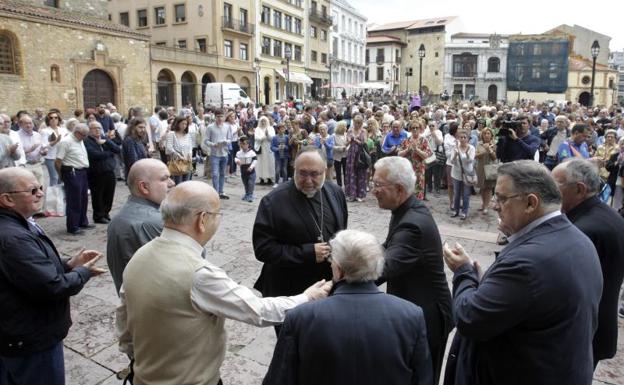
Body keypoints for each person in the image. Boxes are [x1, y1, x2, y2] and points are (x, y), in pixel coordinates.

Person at [117, 181, 332, 384]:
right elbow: (258, 311)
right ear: (202, 220)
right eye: (217, 214)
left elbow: (125, 322)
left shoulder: (140, 255)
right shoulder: (199, 274)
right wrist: (307, 297)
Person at [442, 160, 602, 385]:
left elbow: (470, 317)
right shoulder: (577, 239)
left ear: (530, 203)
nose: (496, 206)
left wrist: (464, 273)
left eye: (502, 198)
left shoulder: (527, 263)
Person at [263, 229, 433, 385]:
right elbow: (422, 380)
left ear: (338, 269)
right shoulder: (411, 315)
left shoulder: (301, 317)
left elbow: (279, 379)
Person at [0, 167, 105, 385]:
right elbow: (52, 287)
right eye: (32, 191)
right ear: (8, 199)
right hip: (30, 338)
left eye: (40, 187)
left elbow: (30, 271)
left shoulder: (17, 225)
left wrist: (68, 264)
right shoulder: (13, 237)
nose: (40, 193)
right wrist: (83, 272)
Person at [372, 156, 452, 384]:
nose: (373, 191)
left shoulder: (412, 224)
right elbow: (387, 248)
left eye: (378, 185)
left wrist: (345, 271)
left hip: (428, 318)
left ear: (399, 189)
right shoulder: (404, 209)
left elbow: (383, 268)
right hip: (414, 309)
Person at [252, 149, 348, 334]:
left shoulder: (334, 192)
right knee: (292, 347)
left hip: (328, 288)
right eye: (302, 173)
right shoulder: (273, 201)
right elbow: (263, 249)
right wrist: (307, 253)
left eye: (315, 174)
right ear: (293, 169)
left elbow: (342, 232)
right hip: (290, 290)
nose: (308, 180)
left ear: (325, 171)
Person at [552, 159, 624, 369]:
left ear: (579, 189)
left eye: (555, 185)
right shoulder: (607, 216)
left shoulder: (583, 230)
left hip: (579, 332)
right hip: (597, 325)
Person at [106, 158, 174, 295]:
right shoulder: (155, 222)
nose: (172, 183)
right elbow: (189, 266)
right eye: (164, 179)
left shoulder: (121, 216)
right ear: (144, 187)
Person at [55, 123, 93, 235]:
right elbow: (57, 161)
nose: (85, 137)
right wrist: (61, 175)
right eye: (83, 135)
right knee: (74, 200)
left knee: (83, 198)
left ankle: (82, 221)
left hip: (82, 171)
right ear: (77, 133)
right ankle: (73, 225)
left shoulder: (79, 140)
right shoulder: (66, 142)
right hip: (72, 172)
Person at [84, 121, 120, 224]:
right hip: (96, 172)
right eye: (94, 128)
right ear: (89, 130)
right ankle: (98, 216)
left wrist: (106, 142)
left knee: (109, 194)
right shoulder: (87, 141)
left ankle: (106, 213)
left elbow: (117, 149)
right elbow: (94, 155)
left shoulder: (105, 139)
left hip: (109, 170)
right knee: (98, 195)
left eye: (99, 128)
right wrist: (109, 153)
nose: (97, 130)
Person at [398, 120, 432, 200]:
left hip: (419, 170)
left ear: (420, 129)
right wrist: (407, 150)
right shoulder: (406, 140)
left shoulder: (424, 140)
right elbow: (399, 154)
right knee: (408, 190)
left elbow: (426, 155)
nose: (415, 129)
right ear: (410, 129)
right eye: (413, 128)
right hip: (408, 170)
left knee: (419, 191)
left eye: (417, 128)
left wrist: (417, 150)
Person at [204, 109, 232, 199]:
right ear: (215, 117)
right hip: (214, 154)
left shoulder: (227, 127)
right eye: (218, 116)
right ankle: (215, 192)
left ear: (224, 117)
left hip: (224, 153)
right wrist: (213, 144)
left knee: (223, 173)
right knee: (215, 173)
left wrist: (225, 142)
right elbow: (206, 140)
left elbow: (230, 139)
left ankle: (221, 191)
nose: (220, 118)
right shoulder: (210, 127)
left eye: (221, 116)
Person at [450, 129, 476, 219]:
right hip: (456, 174)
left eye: (465, 137)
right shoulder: (455, 148)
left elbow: (470, 161)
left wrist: (466, 153)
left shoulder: (471, 148)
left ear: (468, 139)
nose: (463, 139)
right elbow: (452, 161)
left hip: (467, 174)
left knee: (466, 194)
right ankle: (455, 210)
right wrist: (455, 155)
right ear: (458, 138)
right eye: (461, 137)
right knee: (456, 193)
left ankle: (464, 212)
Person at [344, 115, 368, 202]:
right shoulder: (350, 130)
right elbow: (346, 143)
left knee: (361, 173)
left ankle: (360, 194)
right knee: (351, 173)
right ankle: (351, 194)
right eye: (355, 122)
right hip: (351, 154)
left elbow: (365, 143)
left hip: (360, 154)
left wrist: (357, 140)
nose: (357, 124)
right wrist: (349, 141)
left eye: (359, 123)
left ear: (361, 123)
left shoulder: (364, 131)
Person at [475, 127, 497, 213]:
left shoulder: (494, 144)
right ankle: (483, 204)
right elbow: (475, 155)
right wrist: (483, 152)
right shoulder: (479, 144)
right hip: (480, 167)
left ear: (491, 135)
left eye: (488, 133)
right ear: (482, 135)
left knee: (488, 188)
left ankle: (486, 206)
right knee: (482, 187)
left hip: (490, 168)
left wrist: (489, 150)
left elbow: (495, 158)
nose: (486, 135)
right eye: (485, 133)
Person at [166, 116, 193, 185]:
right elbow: (169, 148)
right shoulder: (171, 134)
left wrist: (190, 154)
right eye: (182, 124)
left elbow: (190, 146)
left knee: (187, 183)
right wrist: (178, 155)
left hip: (187, 161)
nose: (184, 126)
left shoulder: (187, 135)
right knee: (178, 183)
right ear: (177, 124)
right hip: (177, 162)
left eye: (185, 124)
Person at [254, 116, 275, 185]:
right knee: (261, 163)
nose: (263, 122)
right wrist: (263, 137)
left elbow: (273, 138)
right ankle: (261, 178)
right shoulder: (257, 129)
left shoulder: (270, 128)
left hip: (268, 148)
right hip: (261, 148)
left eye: (264, 121)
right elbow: (256, 137)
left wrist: (267, 135)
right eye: (262, 121)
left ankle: (269, 178)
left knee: (270, 162)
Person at [235, 136, 257, 202]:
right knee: (245, 184)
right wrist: (237, 161)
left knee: (250, 183)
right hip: (243, 172)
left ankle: (250, 195)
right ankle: (247, 194)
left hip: (251, 172)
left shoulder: (252, 153)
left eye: (244, 144)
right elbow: (236, 158)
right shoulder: (238, 153)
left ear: (248, 144)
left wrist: (251, 167)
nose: (243, 145)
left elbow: (255, 160)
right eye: (241, 144)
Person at [332, 121, 348, 188]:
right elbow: (332, 146)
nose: (346, 128)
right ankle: (339, 186)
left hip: (345, 155)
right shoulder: (333, 135)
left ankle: (347, 185)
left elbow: (349, 144)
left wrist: (346, 148)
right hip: (337, 156)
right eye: (345, 126)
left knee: (345, 172)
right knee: (338, 172)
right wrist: (341, 148)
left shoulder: (346, 134)